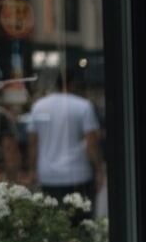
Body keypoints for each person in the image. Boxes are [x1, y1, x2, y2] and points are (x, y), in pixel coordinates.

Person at [26, 68, 102, 207]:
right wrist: (98, 170)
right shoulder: (83, 106)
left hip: (48, 174)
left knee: (53, 222)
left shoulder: (39, 106)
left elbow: (33, 143)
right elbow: (92, 142)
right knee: (81, 221)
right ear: (73, 84)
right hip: (78, 173)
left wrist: (32, 170)